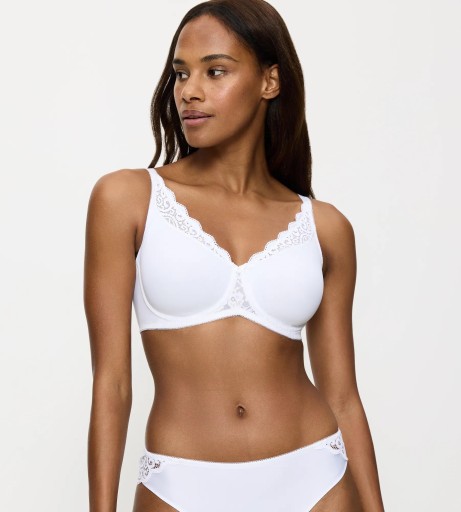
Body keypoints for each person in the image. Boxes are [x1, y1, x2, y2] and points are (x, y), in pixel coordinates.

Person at [84, 1, 385, 510]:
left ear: (270, 81)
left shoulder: (325, 227)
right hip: (181, 483)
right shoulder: (127, 199)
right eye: (181, 73)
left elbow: (343, 397)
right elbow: (111, 384)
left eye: (215, 71)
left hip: (316, 479)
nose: (189, 91)